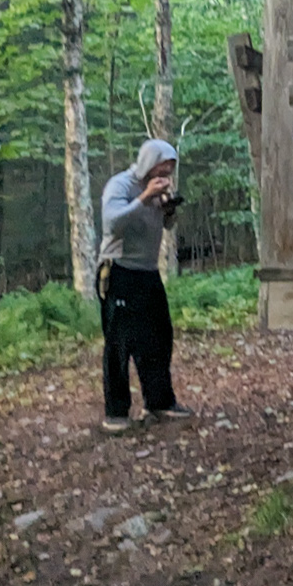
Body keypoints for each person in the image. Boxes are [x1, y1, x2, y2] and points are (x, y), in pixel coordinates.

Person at [97, 138, 192, 434]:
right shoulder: (121, 186)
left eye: (171, 168)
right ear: (149, 163)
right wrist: (144, 197)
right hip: (119, 269)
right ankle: (116, 413)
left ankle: (159, 401)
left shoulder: (159, 190)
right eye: (163, 167)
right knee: (120, 342)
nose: (167, 174)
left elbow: (165, 225)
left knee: (159, 337)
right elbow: (112, 223)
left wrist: (167, 210)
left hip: (148, 271)